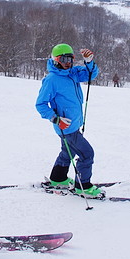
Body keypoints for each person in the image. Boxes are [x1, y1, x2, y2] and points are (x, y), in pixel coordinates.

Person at [35, 43, 102, 198]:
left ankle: (58, 178)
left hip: (74, 124)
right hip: (66, 127)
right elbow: (41, 104)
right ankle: (83, 186)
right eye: (63, 59)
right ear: (55, 60)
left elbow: (90, 75)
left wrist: (89, 62)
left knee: (67, 152)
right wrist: (55, 119)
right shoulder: (51, 80)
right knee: (87, 154)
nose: (67, 62)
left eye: (70, 59)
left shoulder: (73, 73)